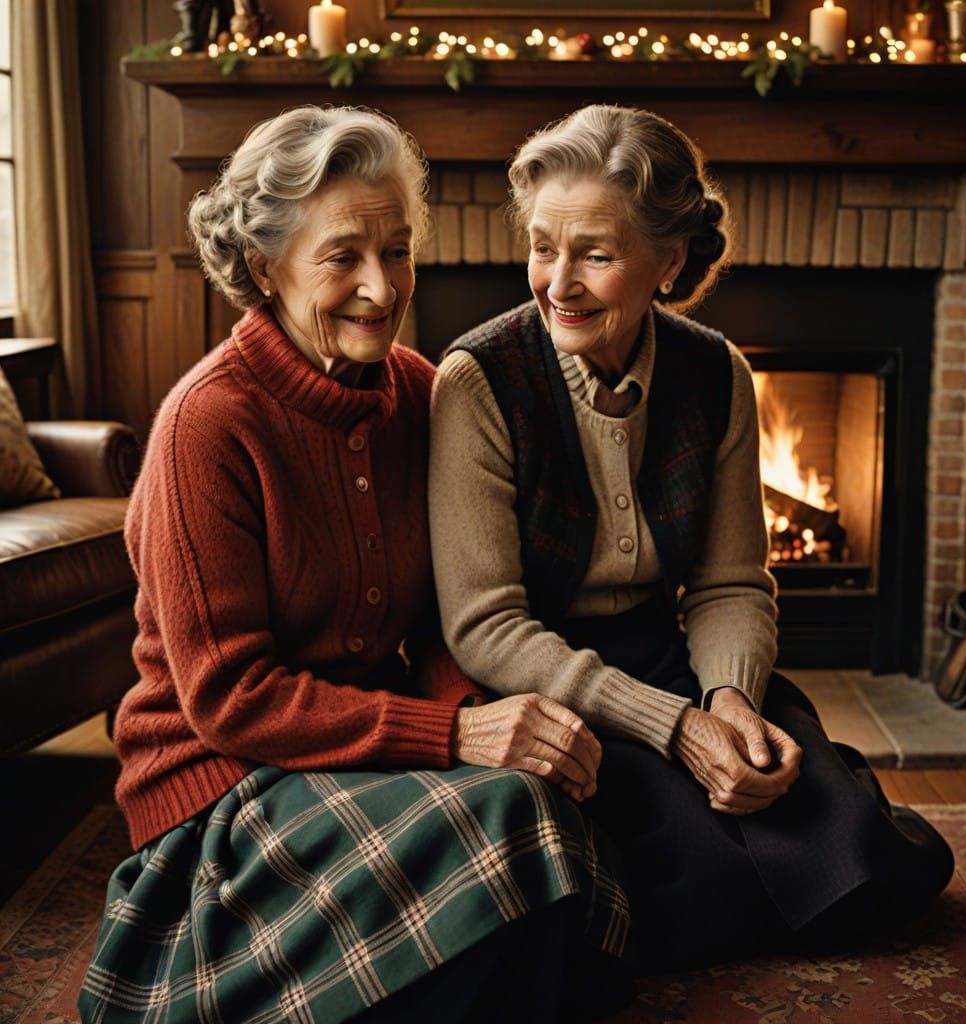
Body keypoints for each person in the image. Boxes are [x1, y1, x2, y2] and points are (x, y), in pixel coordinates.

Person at [79, 105, 632, 1024]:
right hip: (225, 788)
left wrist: (475, 724)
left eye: (400, 251)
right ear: (265, 269)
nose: (383, 288)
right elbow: (232, 698)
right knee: (504, 831)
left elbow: (448, 621)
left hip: (362, 762)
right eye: (343, 257)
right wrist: (454, 741)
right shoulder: (205, 425)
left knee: (538, 809)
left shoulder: (421, 393)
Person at [429, 104, 954, 971]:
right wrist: (671, 728)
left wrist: (730, 702)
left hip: (674, 658)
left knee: (854, 856)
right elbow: (485, 627)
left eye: (595, 255)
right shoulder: (478, 382)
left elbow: (731, 584)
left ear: (668, 262)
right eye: (542, 246)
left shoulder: (718, 372)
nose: (557, 282)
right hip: (549, 682)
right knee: (704, 879)